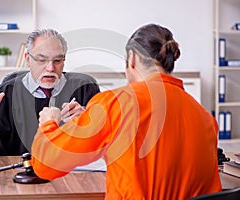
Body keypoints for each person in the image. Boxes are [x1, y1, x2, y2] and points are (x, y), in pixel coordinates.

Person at [31, 24, 222, 199]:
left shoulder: (116, 103)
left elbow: (45, 165)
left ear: (132, 58)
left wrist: (49, 123)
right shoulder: (206, 118)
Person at [0, 29, 100, 156]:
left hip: (72, 177)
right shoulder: (6, 94)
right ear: (27, 59)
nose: (50, 68)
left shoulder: (85, 89)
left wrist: (88, 122)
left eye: (57, 60)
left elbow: (106, 144)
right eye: (41, 60)